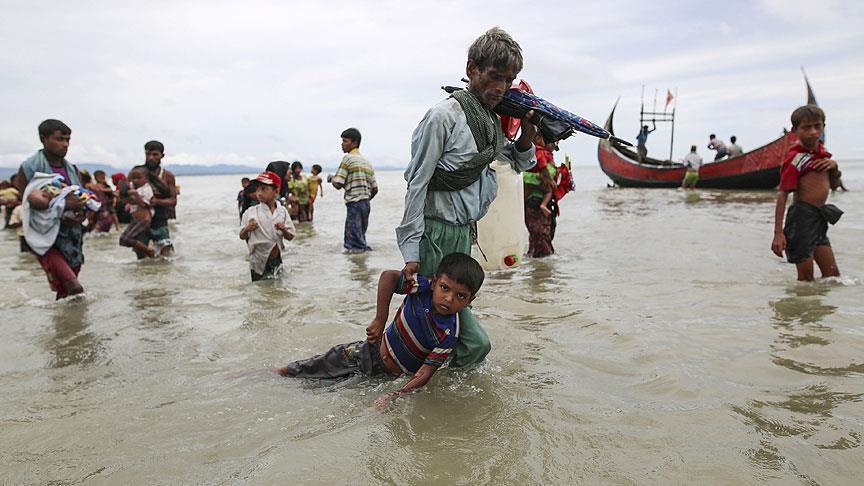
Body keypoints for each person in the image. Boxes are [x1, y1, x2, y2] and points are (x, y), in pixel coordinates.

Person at [395, 27, 536, 367]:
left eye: (509, 80)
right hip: (434, 234)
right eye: (494, 77)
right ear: (472, 69)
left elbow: (515, 162)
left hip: (462, 234)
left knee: (445, 322)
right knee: (468, 340)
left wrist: (528, 134)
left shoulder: (488, 120)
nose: (500, 88)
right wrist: (411, 251)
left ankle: (435, 396)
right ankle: (429, 389)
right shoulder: (443, 117)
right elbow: (418, 182)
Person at [278, 252, 484, 409]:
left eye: (461, 296)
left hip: (386, 377)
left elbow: (424, 373)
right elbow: (388, 278)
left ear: (470, 301)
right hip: (368, 352)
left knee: (331, 398)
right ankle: (275, 373)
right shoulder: (422, 287)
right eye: (445, 288)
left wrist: (395, 394)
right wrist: (379, 319)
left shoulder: (449, 334)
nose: (448, 299)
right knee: (313, 367)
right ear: (436, 281)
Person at [15, 119, 86, 299]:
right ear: (43, 139)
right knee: (75, 288)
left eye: (68, 140)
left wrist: (80, 212)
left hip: (72, 235)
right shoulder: (29, 168)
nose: (65, 144)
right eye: (60, 139)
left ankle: (66, 326)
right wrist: (62, 207)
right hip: (45, 237)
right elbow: (28, 202)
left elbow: (80, 197)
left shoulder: (72, 169)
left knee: (66, 292)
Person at [771, 105, 842, 281]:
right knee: (806, 278)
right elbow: (782, 194)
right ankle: (798, 309)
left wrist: (835, 167)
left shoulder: (823, 156)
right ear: (795, 130)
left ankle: (822, 308)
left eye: (818, 126)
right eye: (807, 127)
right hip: (801, 218)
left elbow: (834, 186)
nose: (813, 132)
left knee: (832, 276)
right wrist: (778, 233)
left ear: (824, 126)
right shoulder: (795, 158)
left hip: (819, 218)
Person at [240, 171, 295, 281]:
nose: (259, 193)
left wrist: (284, 230)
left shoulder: (282, 211)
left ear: (276, 191)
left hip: (276, 259)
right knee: (260, 289)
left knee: (276, 289)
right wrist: (247, 229)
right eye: (258, 189)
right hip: (258, 261)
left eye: (264, 189)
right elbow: (241, 235)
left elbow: (291, 236)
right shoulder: (251, 212)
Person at [330, 127, 377, 252]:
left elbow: (338, 183)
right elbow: (375, 188)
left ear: (354, 142)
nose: (342, 144)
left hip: (354, 204)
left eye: (345, 141)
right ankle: (364, 268)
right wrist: (365, 198)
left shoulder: (348, 159)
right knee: (361, 238)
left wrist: (331, 178)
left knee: (353, 244)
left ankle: (356, 269)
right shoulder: (367, 162)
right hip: (366, 204)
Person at [523, 133, 556, 257]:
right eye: (553, 143)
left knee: (541, 237)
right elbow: (525, 176)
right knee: (540, 236)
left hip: (542, 205)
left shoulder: (545, 156)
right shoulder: (537, 155)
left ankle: (539, 270)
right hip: (534, 203)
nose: (554, 146)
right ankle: (542, 271)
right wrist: (540, 178)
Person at [142, 141, 177, 256]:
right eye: (148, 154)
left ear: (162, 156)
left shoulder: (168, 176)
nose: (151, 158)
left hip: (160, 221)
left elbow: (173, 201)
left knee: (167, 257)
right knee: (142, 257)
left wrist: (157, 201)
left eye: (155, 154)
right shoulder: (138, 173)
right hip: (141, 220)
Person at [118, 166, 157, 258]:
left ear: (146, 179)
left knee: (128, 238)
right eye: (133, 178)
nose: (135, 180)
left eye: (138, 178)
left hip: (144, 220)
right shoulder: (135, 187)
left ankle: (149, 251)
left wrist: (135, 194)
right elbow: (125, 190)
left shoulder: (147, 190)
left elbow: (144, 205)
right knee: (122, 240)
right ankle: (146, 251)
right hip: (135, 220)